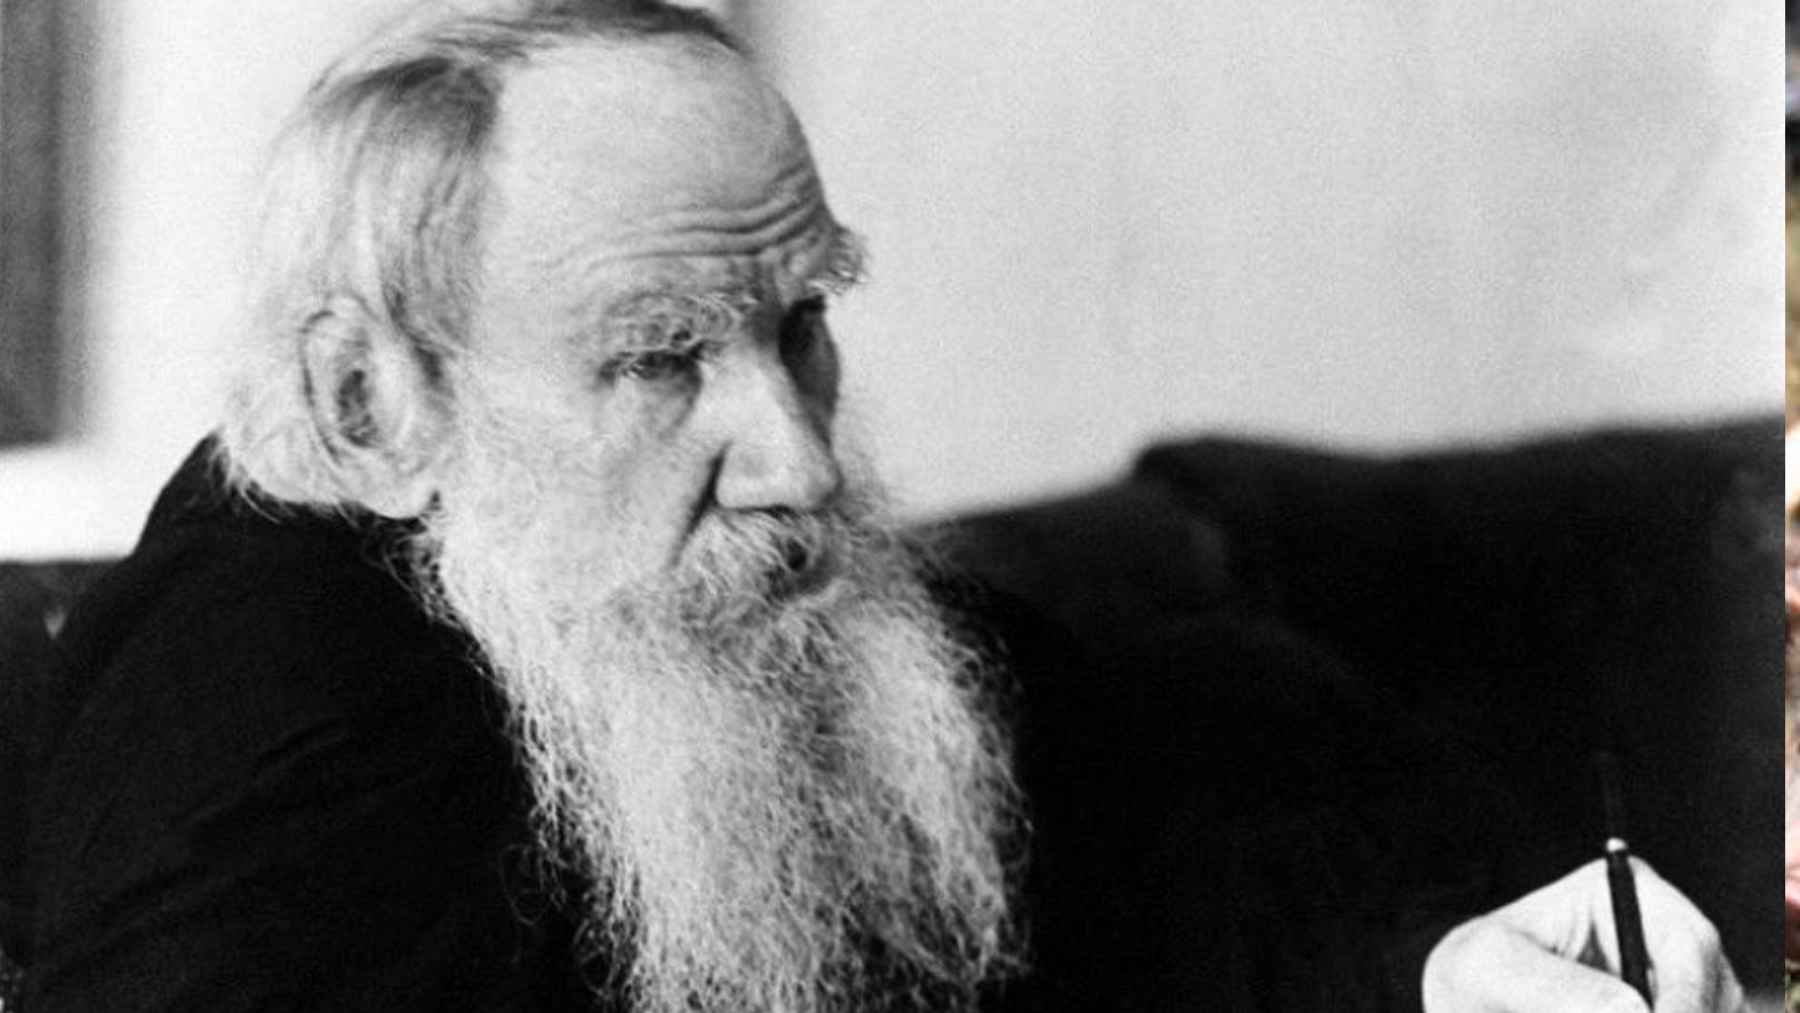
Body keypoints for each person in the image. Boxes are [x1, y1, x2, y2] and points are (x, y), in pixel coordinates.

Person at [17, 3, 1747, 1010]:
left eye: (800, 326)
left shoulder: (695, 590)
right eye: (659, 359)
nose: (800, 455)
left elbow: (1172, 760)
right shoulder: (271, 729)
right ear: (370, 403)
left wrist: (1459, 957)